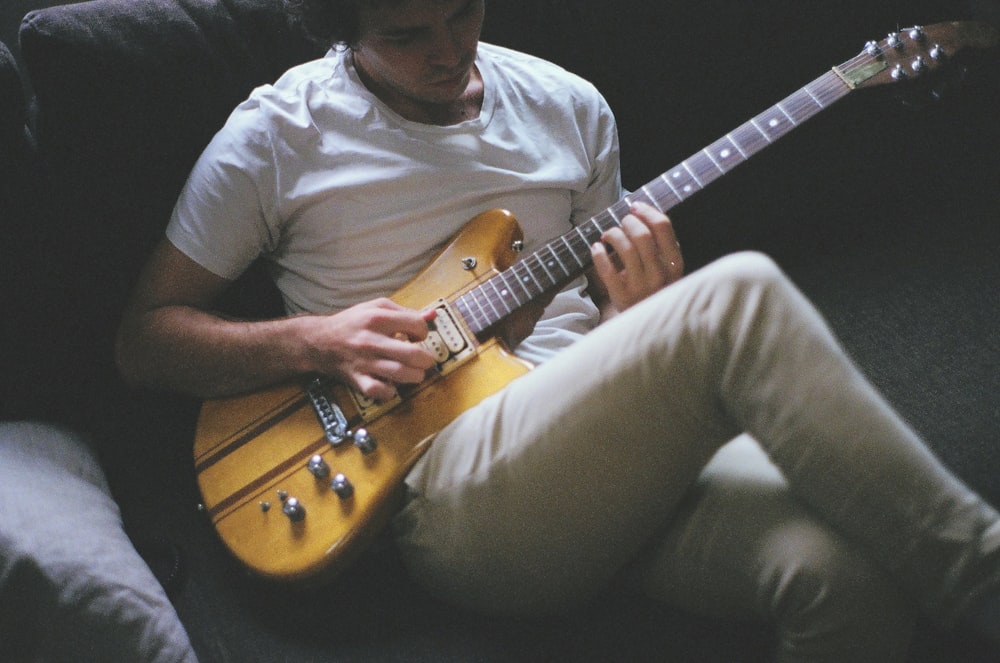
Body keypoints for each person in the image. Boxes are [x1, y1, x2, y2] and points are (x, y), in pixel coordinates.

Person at [115, 0, 1000, 660]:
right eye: (407, 35)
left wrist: (639, 316)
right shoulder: (276, 138)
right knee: (740, 295)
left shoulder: (570, 108)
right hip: (449, 482)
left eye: (461, 12)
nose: (448, 51)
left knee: (847, 583)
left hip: (600, 448)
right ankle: (980, 577)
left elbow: (615, 325)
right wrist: (320, 339)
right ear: (343, 30)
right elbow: (145, 340)